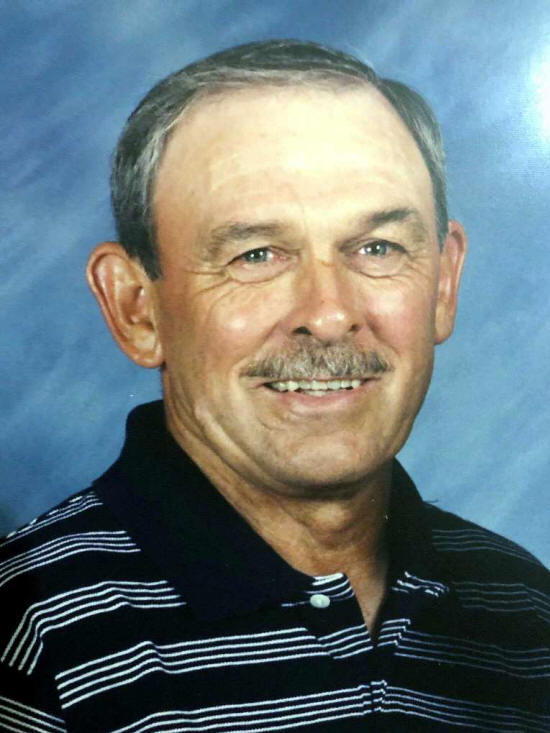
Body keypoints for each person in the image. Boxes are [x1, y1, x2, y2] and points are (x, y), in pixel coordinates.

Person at [1, 39, 548, 733]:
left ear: (443, 283)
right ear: (136, 307)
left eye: (377, 247)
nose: (329, 313)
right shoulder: (29, 635)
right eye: (256, 254)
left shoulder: (524, 611)